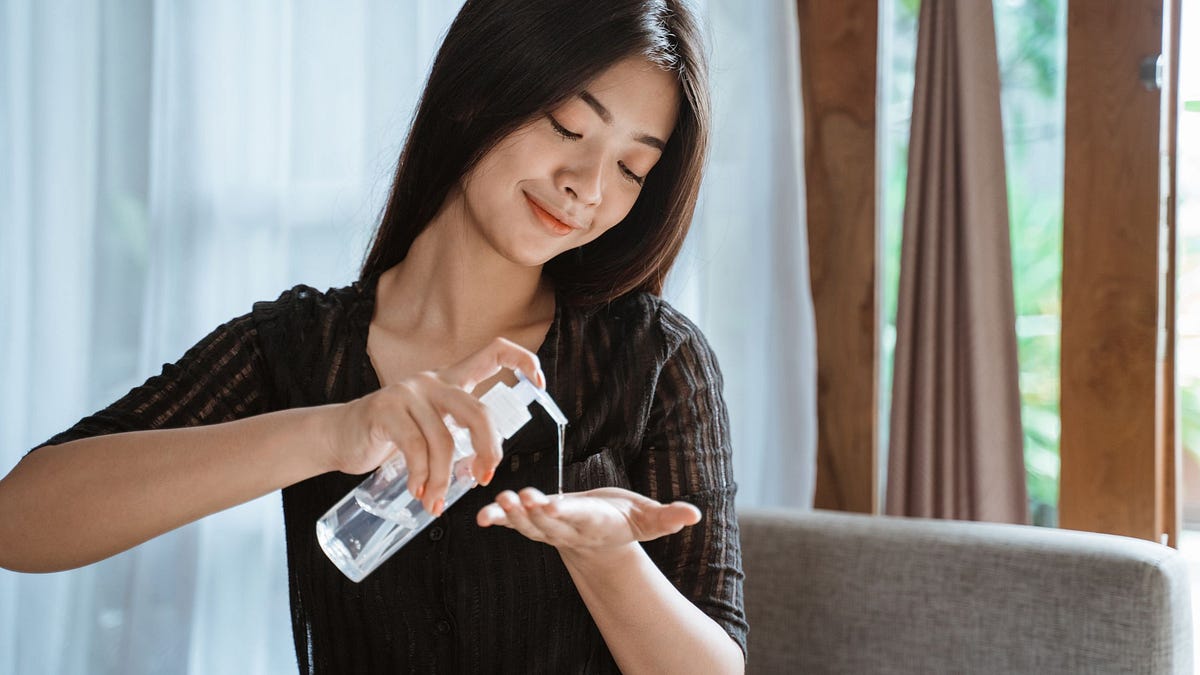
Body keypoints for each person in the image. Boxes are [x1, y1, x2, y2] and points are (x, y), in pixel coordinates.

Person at [0, 0, 747, 672]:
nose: (588, 183)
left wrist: (607, 558)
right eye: (568, 127)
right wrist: (333, 432)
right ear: (479, 90)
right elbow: (19, 522)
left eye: (630, 166)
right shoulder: (298, 348)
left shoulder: (653, 360)